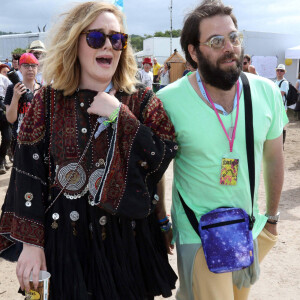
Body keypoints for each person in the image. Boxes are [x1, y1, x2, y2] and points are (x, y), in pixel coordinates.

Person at [0, 2, 177, 300]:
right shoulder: (48, 101)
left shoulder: (142, 99)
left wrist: (120, 116)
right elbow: (28, 173)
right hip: (66, 242)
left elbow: (161, 155)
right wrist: (31, 244)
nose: (109, 45)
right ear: (75, 42)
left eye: (117, 38)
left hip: (127, 242)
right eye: (97, 37)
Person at [157, 1, 287, 299]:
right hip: (197, 232)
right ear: (193, 51)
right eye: (216, 41)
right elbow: (155, 170)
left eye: (234, 37)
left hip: (247, 230)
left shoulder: (266, 92)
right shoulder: (168, 101)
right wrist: (161, 219)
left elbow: (274, 157)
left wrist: (273, 219)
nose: (230, 47)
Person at [4, 53, 41, 154]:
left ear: (37, 68)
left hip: (40, 140)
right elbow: (10, 118)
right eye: (26, 65)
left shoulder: (43, 90)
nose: (30, 69)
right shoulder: (12, 88)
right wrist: (16, 97)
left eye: (33, 65)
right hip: (20, 140)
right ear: (20, 68)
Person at [0, 73, 12, 174]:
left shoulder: (4, 79)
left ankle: (2, 158)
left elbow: (11, 94)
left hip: (3, 114)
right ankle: (1, 162)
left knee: (7, 138)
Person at [274, 63, 288, 145]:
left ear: (284, 72)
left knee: (282, 125)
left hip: (282, 107)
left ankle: (281, 144)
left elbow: (281, 94)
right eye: (278, 70)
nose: (279, 72)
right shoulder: (275, 81)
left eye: (281, 70)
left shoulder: (284, 82)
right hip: (276, 106)